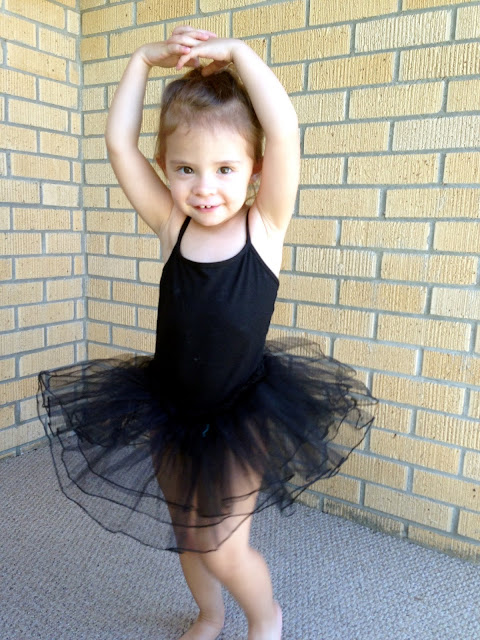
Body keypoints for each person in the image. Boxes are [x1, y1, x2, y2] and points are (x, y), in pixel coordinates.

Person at [38, 25, 374, 640]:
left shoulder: (264, 227)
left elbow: (285, 131)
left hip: (242, 412)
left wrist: (242, 56)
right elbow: (118, 144)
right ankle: (210, 614)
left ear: (255, 170)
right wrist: (141, 60)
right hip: (169, 404)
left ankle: (265, 616)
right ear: (165, 169)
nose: (204, 187)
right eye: (186, 169)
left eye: (224, 168)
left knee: (221, 542)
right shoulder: (173, 224)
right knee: (188, 533)